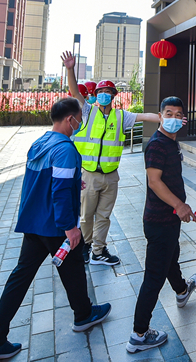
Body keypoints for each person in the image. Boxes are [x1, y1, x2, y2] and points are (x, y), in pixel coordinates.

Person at [0, 98, 112, 362]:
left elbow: (43, 180)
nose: (80, 123)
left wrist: (74, 182)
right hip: (55, 226)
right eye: (79, 118)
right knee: (73, 269)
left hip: (34, 224)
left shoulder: (40, 143)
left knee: (20, 278)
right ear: (70, 119)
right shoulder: (65, 149)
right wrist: (70, 228)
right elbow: (59, 191)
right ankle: (83, 315)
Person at [61, 51, 163, 266]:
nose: (104, 95)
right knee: (86, 216)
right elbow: (74, 91)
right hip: (89, 176)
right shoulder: (88, 112)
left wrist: (167, 118)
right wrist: (70, 69)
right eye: (101, 92)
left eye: (108, 92)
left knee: (104, 216)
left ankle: (98, 251)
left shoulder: (121, 116)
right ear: (96, 95)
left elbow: (145, 116)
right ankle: (85, 246)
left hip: (111, 177)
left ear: (114, 96)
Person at [127, 96, 196, 353]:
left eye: (178, 115)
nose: (173, 119)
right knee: (154, 276)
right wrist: (180, 205)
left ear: (183, 120)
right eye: (168, 114)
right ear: (160, 116)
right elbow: (155, 182)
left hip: (167, 220)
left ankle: (181, 290)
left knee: (171, 257)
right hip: (160, 220)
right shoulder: (157, 145)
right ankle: (139, 334)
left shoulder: (171, 142)